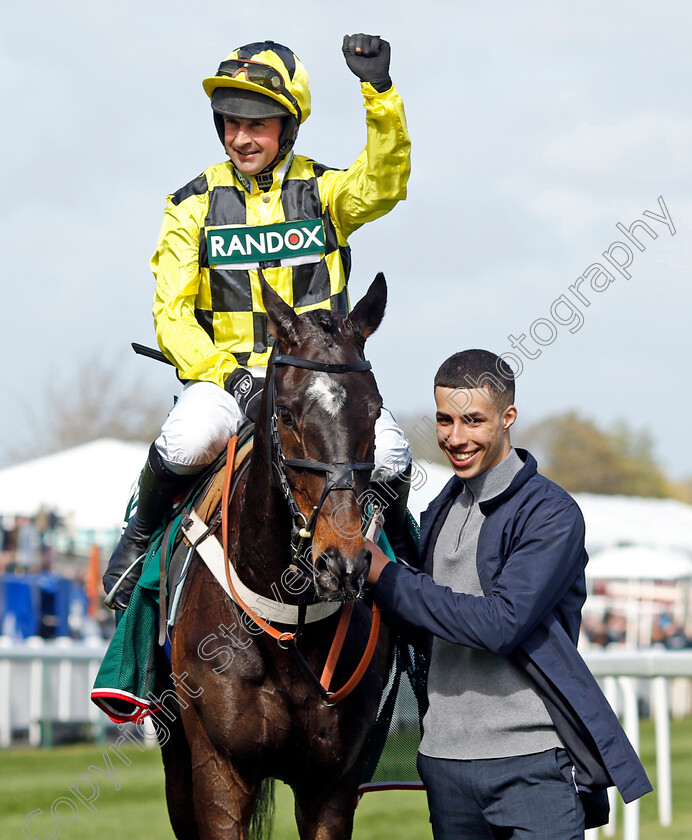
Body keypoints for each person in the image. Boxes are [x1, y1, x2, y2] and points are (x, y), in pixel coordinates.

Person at [103, 35, 412, 609]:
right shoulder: (190, 205)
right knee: (187, 438)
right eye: (229, 123)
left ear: (287, 127)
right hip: (229, 381)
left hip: (318, 386)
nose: (240, 137)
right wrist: (228, 377)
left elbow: (386, 182)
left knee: (393, 457)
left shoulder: (328, 193)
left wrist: (380, 93)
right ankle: (138, 541)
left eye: (258, 124)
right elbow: (171, 313)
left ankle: (410, 572)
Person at [366, 349, 652, 838]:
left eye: (473, 420)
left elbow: (500, 624)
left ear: (507, 418)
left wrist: (386, 576)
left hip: (533, 764)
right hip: (444, 761)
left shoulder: (552, 512)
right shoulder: (439, 508)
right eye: (444, 420)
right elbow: (426, 628)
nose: (455, 437)